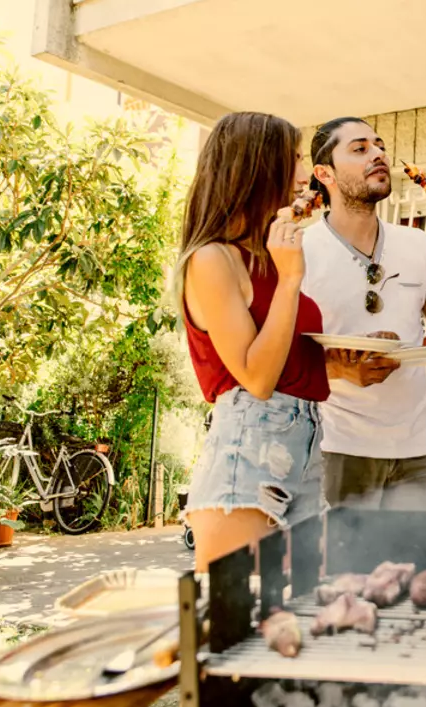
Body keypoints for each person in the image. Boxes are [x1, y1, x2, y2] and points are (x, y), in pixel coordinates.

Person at [173, 112, 329, 572]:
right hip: (251, 440)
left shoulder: (267, 256)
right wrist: (291, 279)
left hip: (307, 441)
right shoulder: (211, 259)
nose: (304, 175)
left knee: (294, 621)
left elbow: (286, 360)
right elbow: (257, 378)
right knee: (232, 621)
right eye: (295, 159)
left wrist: (346, 366)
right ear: (258, 168)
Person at [302, 117, 426, 512]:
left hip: (419, 450)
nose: (378, 154)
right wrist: (340, 369)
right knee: (350, 573)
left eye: (379, 146)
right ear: (324, 173)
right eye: (360, 148)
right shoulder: (299, 251)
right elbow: (280, 354)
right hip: (338, 449)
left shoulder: (417, 244)